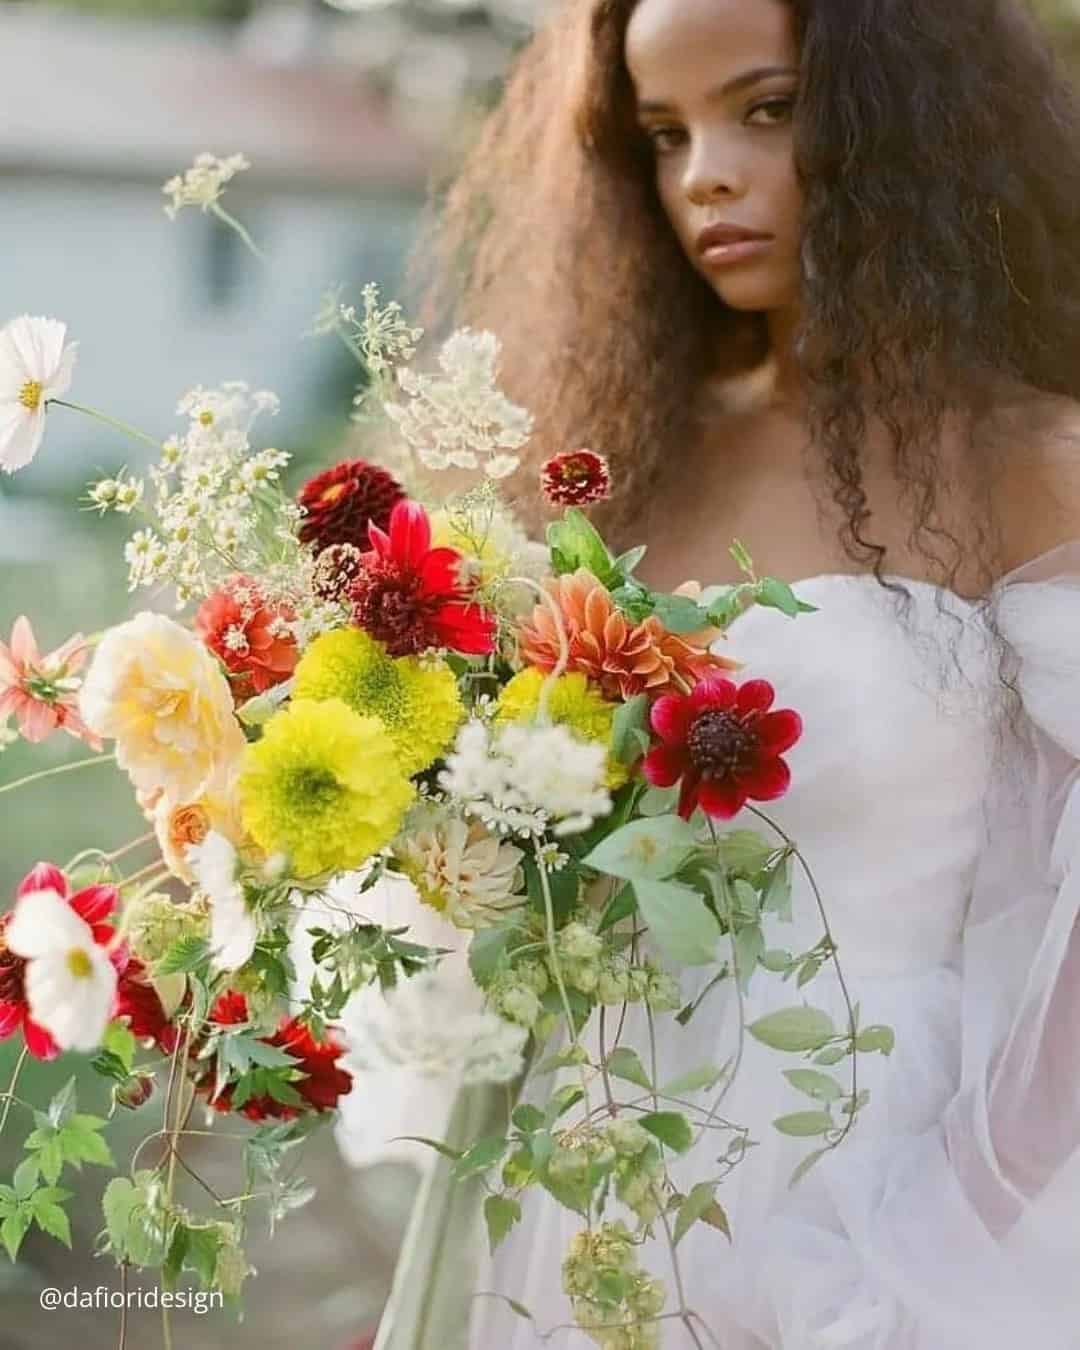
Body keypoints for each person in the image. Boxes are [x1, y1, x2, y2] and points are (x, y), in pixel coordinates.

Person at [357, 1, 1080, 1346]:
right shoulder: (613, 458)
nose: (706, 179)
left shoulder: (1026, 461)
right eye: (662, 133)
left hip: (889, 1172)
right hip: (596, 1174)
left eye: (767, 109)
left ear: (908, 120)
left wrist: (946, 1233)